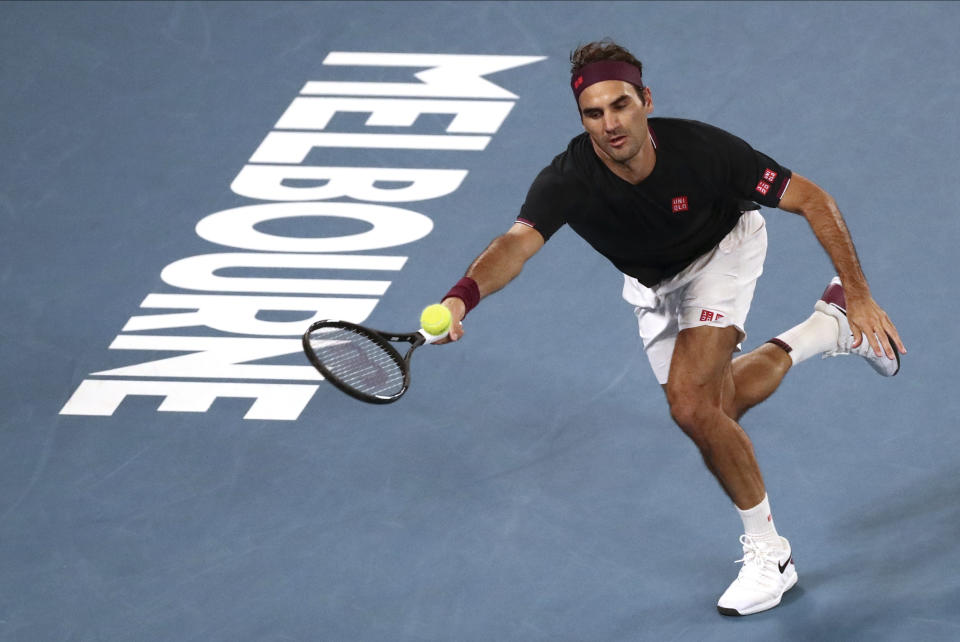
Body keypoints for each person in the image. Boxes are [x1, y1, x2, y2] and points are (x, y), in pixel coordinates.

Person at [436, 40, 906, 616]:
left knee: (690, 405)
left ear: (646, 101)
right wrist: (462, 299)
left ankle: (770, 554)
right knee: (717, 406)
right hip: (654, 284)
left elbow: (810, 197)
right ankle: (826, 329)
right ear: (581, 118)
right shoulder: (567, 179)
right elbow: (516, 245)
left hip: (722, 253)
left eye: (621, 105)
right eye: (594, 113)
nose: (610, 124)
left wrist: (860, 292)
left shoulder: (705, 151)